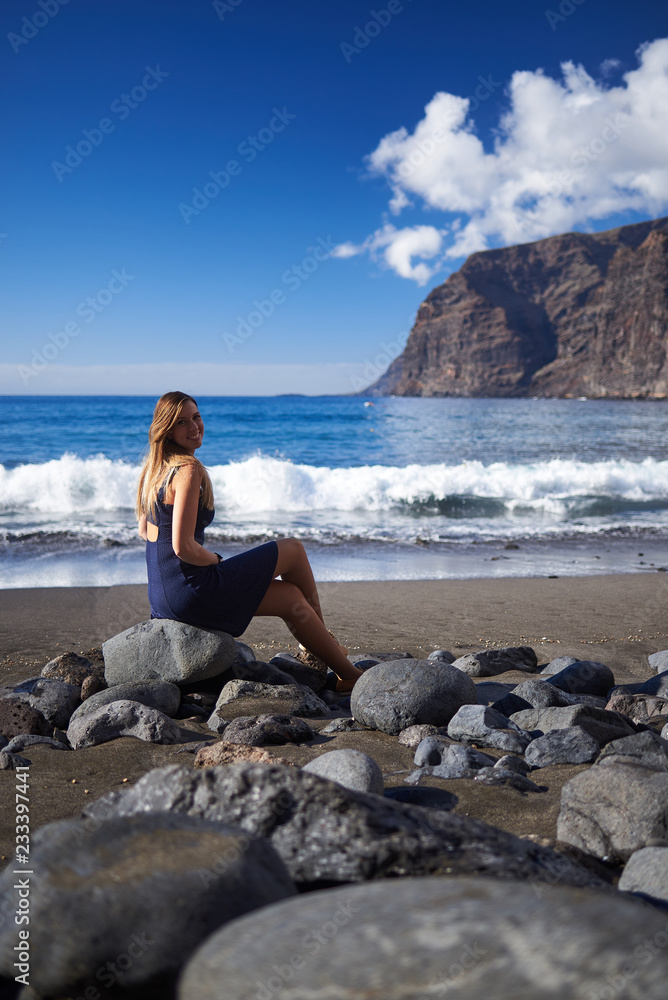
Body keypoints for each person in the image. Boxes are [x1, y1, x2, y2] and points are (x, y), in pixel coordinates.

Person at [136, 391, 362, 692]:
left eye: (197, 416)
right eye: (182, 422)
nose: (194, 427)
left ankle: (341, 667)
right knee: (293, 549)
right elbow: (182, 547)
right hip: (191, 591)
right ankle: (335, 654)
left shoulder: (154, 471)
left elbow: (145, 531)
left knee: (292, 598)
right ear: (167, 429)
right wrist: (215, 560)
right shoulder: (188, 470)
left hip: (163, 600)